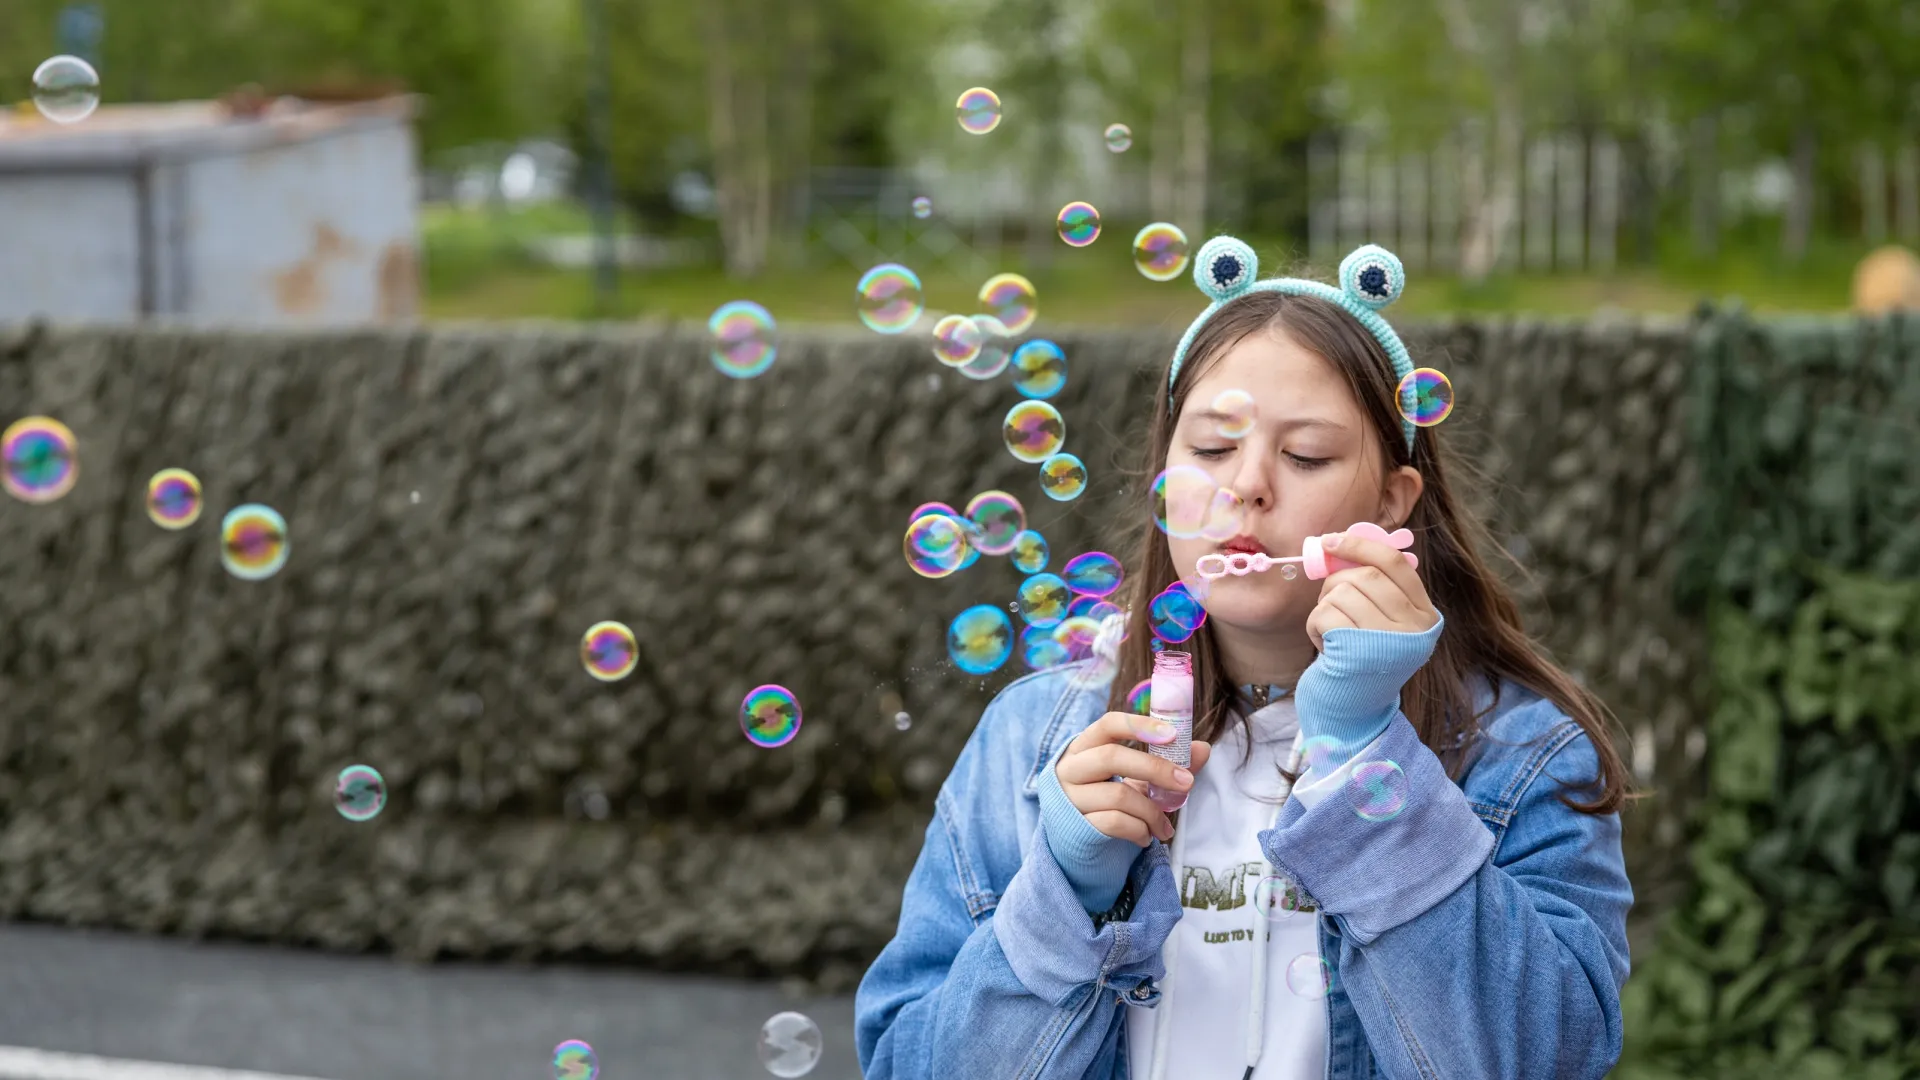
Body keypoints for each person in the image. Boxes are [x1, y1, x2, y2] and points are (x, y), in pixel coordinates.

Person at [855, 237, 1634, 1080]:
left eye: (1306, 456)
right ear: (1165, 476)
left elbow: (1543, 1060)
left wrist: (1364, 750)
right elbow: (909, 1065)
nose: (1249, 485)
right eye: (1212, 450)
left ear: (1391, 500)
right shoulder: (1031, 740)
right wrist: (1063, 896)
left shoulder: (1520, 753)